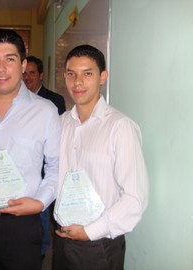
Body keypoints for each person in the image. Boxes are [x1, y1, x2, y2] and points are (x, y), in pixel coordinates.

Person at [0, 29, 61, 270]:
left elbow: (57, 166)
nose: (1, 68)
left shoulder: (45, 111)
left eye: (10, 59)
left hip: (21, 225)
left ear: (23, 64)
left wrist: (40, 202)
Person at [53, 44, 149, 270]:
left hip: (99, 244)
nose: (77, 82)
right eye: (71, 74)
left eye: (87, 74)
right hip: (63, 237)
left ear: (102, 77)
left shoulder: (120, 127)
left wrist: (89, 232)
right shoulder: (61, 123)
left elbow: (135, 198)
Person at [23, 55, 66, 259]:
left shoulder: (55, 100)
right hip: (25, 170)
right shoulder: (16, 100)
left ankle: (40, 253)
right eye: (25, 73)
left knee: (43, 222)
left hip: (48, 171)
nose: (27, 77)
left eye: (32, 73)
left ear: (41, 75)